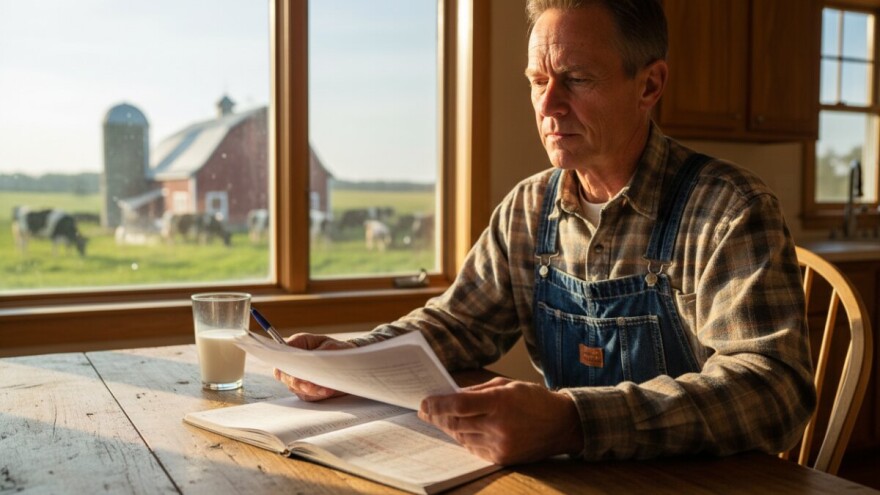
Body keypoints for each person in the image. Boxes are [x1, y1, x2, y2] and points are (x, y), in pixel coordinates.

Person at [275, 0, 816, 465]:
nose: (549, 106)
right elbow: (458, 323)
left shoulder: (728, 210)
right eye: (538, 81)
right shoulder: (529, 208)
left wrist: (573, 420)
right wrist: (348, 360)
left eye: (577, 79)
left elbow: (773, 389)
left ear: (649, 84)